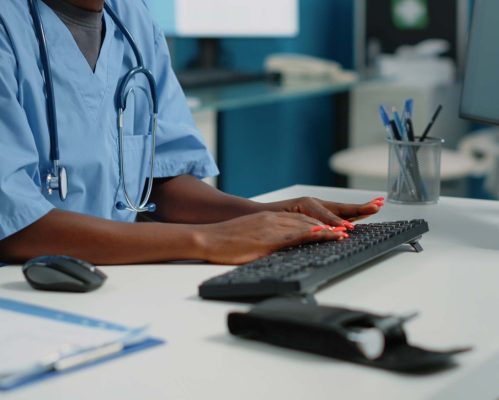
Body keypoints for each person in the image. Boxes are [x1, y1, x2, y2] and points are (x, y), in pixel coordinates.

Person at [0, 0, 384, 266]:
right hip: (24, 293)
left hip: (117, 277)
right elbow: (17, 227)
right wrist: (209, 240)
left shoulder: (131, 18)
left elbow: (162, 180)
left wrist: (266, 216)